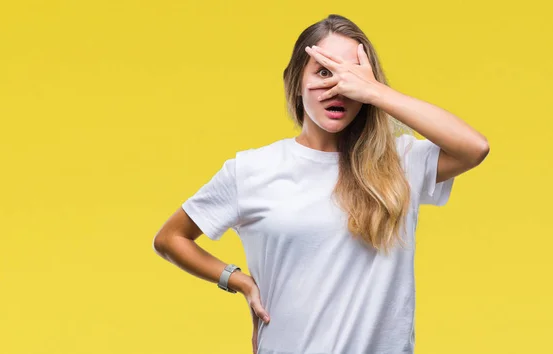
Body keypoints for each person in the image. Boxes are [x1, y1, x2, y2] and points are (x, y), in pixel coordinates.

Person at [152, 14, 489, 354]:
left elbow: (474, 148)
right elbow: (170, 239)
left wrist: (377, 92)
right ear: (295, 81)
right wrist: (237, 280)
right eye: (324, 72)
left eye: (352, 73)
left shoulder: (400, 162)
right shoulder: (252, 170)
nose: (339, 86)